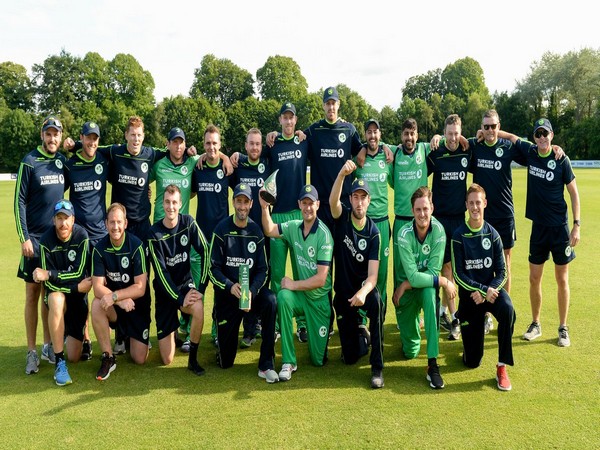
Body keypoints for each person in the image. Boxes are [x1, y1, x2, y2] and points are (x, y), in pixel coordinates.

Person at [497, 119, 580, 347]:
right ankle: (536, 323)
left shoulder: (561, 160)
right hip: (538, 229)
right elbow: (512, 137)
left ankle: (563, 328)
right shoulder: (531, 152)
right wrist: (489, 131)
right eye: (538, 134)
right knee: (535, 278)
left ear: (552, 135)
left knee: (561, 279)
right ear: (535, 137)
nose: (542, 138)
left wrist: (577, 224)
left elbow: (574, 193)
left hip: (560, 229)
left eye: (546, 134)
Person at [259, 184, 333, 381]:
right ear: (299, 204)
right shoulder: (293, 227)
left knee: (318, 360)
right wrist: (265, 207)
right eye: (304, 203)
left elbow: (320, 279)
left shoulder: (324, 235)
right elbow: (269, 230)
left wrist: (293, 284)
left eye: (311, 203)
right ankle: (288, 361)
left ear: (317, 205)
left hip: (318, 302)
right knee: (282, 297)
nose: (308, 208)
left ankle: (315, 342)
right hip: (301, 298)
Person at [209, 183, 278, 383]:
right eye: (238, 201)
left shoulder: (256, 232)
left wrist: (252, 292)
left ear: (251, 204)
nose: (241, 206)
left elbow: (263, 270)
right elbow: (213, 269)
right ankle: (223, 345)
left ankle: (266, 364)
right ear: (233, 202)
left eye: (245, 202)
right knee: (225, 362)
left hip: (251, 296)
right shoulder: (221, 230)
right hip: (228, 297)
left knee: (271, 300)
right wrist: (231, 287)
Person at [15, 115, 67, 374]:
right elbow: (19, 202)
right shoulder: (29, 162)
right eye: (48, 133)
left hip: (55, 241)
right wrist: (24, 237)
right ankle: (31, 351)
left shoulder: (61, 161)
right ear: (42, 135)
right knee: (32, 295)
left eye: (56, 134)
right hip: (33, 241)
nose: (52, 138)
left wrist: (75, 147)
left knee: (50, 294)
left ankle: (48, 345)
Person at [451, 183, 515, 391]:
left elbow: (502, 272)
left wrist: (489, 291)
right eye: (471, 203)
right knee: (472, 362)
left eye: (478, 202)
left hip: (491, 294)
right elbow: (458, 275)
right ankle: (469, 345)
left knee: (507, 309)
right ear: (466, 205)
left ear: (485, 203)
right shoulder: (458, 236)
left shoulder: (494, 235)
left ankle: (502, 367)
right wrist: (478, 290)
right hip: (471, 299)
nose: (475, 207)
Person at [393, 186, 456, 389]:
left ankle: (432, 364)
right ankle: (414, 326)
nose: (422, 214)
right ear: (412, 211)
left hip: (417, 287)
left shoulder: (438, 231)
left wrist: (406, 283)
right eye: (418, 209)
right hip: (405, 296)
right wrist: (444, 281)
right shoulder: (403, 234)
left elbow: (430, 274)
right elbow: (414, 275)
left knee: (430, 294)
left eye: (426, 209)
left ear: (432, 208)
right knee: (410, 351)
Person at [330, 164, 384, 389]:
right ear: (350, 199)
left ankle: (377, 367)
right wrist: (342, 173)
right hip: (343, 296)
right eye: (355, 197)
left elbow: (373, 277)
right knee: (350, 357)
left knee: (377, 304)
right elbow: (332, 203)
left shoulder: (374, 233)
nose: (359, 202)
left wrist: (363, 293)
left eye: (363, 197)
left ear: (368, 201)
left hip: (363, 292)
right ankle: (363, 335)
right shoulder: (342, 218)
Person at [147, 185, 210, 375]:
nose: (171, 207)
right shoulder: (154, 234)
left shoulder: (188, 223)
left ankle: (193, 359)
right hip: (165, 292)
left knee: (198, 307)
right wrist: (178, 299)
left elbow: (205, 250)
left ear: (181, 204)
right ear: (162, 204)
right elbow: (161, 273)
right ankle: (172, 331)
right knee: (166, 360)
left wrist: (201, 287)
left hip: (184, 286)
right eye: (167, 202)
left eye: (174, 202)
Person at [149, 127, 200, 353]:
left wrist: (229, 158)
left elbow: (212, 153)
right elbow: (140, 178)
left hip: (181, 234)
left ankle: (186, 332)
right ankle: (160, 328)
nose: (178, 146)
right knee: (160, 278)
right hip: (159, 236)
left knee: (185, 276)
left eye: (182, 142)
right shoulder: (158, 165)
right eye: (174, 142)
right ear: (168, 144)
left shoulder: (191, 163)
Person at [64, 120, 109, 360]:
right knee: (81, 289)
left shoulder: (103, 160)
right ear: (81, 138)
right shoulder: (71, 165)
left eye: (95, 138)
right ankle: (85, 337)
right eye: (88, 137)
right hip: (78, 238)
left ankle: (114, 338)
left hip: (101, 236)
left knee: (103, 286)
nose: (91, 142)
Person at [33, 199, 91, 385]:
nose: (63, 223)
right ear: (54, 220)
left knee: (74, 355)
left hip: (78, 299)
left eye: (66, 218)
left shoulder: (82, 236)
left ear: (73, 220)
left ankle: (64, 332)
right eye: (59, 218)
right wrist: (72, 285)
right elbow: (49, 286)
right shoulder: (45, 241)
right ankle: (59, 362)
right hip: (63, 295)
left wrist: (50, 274)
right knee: (56, 299)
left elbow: (80, 274)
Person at [91, 203, 151, 380]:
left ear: (125, 223)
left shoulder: (137, 246)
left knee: (139, 359)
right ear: (106, 224)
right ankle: (108, 357)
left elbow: (140, 288)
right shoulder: (99, 249)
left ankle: (127, 337)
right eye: (112, 222)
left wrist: (116, 296)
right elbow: (97, 287)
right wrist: (118, 300)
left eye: (119, 222)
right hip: (117, 306)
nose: (115, 227)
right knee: (96, 305)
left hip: (136, 307)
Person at [428, 114, 471, 340]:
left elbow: (485, 138)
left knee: (455, 271)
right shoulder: (436, 153)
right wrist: (434, 138)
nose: (453, 138)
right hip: (440, 220)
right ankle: (455, 319)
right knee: (446, 270)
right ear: (444, 133)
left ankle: (444, 311)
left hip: (460, 220)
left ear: (460, 132)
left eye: (457, 133)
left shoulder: (466, 149)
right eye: (449, 133)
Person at [192, 124, 233, 347]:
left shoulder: (228, 169)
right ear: (203, 144)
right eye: (207, 143)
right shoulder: (197, 168)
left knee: (220, 287)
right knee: (197, 285)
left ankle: (217, 330)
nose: (211, 147)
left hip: (221, 241)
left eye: (215, 143)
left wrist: (227, 157)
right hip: (200, 239)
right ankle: (188, 329)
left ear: (220, 144)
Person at [230, 128, 270, 347]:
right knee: (241, 277)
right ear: (245, 146)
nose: (254, 147)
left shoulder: (267, 164)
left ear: (261, 146)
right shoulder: (240, 165)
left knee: (262, 278)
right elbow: (225, 165)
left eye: (258, 143)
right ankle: (246, 327)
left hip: (263, 232)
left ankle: (259, 324)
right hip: (241, 234)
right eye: (251, 143)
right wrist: (230, 157)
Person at [354, 119, 393, 324]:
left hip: (383, 223)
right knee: (363, 270)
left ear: (380, 134)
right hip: (364, 224)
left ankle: (379, 316)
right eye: (368, 132)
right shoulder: (358, 159)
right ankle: (360, 319)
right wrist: (360, 148)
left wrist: (387, 147)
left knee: (382, 274)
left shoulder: (387, 156)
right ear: (365, 135)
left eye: (375, 132)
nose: (372, 136)